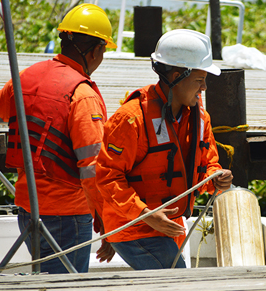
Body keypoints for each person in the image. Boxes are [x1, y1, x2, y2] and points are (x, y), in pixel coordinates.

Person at [0, 3, 116, 273]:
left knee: (46, 280)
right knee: (65, 286)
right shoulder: (83, 96)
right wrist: (105, 223)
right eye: (104, 50)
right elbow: (91, 170)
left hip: (28, 210)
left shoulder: (25, 77)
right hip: (68, 215)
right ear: (96, 50)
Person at [95, 29, 233, 270]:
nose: (204, 88)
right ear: (178, 76)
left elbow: (208, 163)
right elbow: (108, 177)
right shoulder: (131, 118)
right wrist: (147, 215)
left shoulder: (200, 118)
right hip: (132, 227)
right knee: (178, 280)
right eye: (200, 80)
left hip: (170, 226)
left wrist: (217, 177)